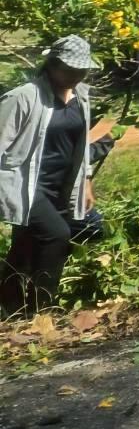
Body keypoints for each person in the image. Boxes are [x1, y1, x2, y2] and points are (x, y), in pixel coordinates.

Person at [1, 36, 111, 317]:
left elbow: (79, 145)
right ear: (52, 65)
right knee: (57, 234)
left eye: (81, 70)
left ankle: (11, 307)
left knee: (25, 246)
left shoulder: (81, 96)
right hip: (24, 185)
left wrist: (86, 181)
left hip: (60, 185)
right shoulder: (24, 97)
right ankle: (43, 311)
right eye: (70, 70)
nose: (76, 76)